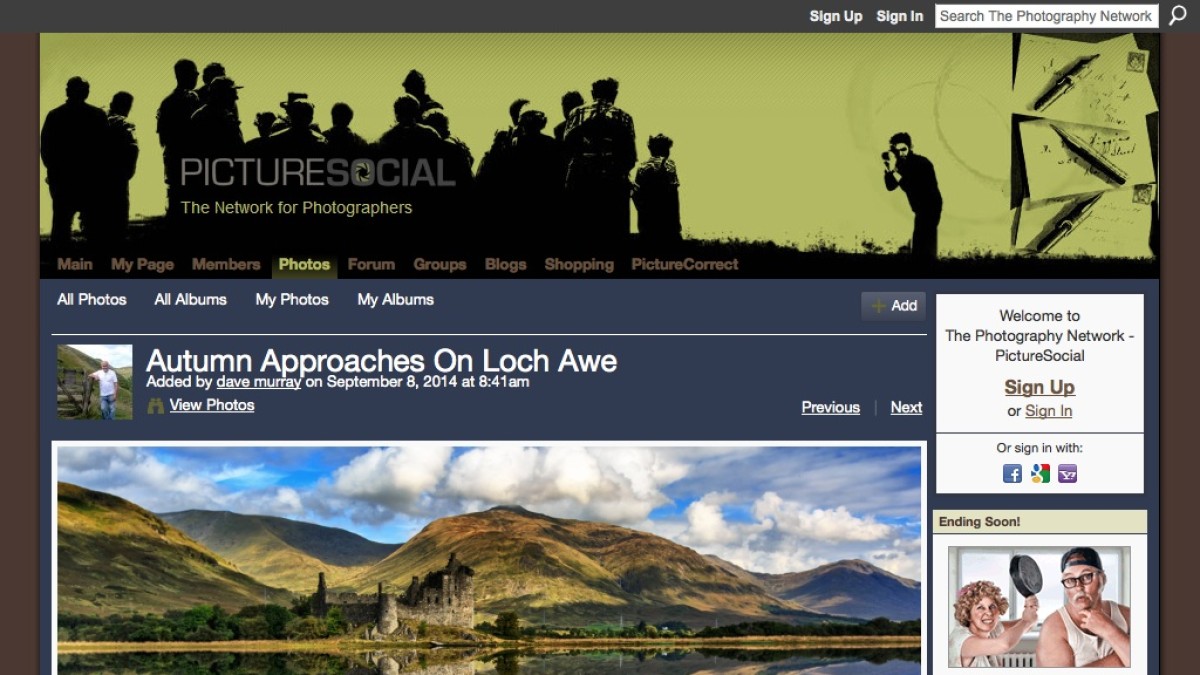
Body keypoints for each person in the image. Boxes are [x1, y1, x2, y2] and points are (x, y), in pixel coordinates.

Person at [563, 78, 637, 240]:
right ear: (615, 94)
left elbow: (567, 148)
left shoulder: (576, 113)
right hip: (612, 182)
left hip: (580, 179)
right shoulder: (623, 116)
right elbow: (630, 156)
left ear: (592, 93)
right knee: (611, 235)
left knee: (580, 232)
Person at [41, 76, 108, 246]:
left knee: (61, 224)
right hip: (90, 179)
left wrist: (54, 172)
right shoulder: (97, 115)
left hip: (63, 179)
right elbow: (105, 149)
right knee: (95, 226)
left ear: (67, 91)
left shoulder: (54, 115)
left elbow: (46, 149)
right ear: (86, 92)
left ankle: (59, 265)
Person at [1036, 547, 1131, 667]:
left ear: (1103, 579)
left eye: (1086, 576)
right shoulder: (1053, 627)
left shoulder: (1127, 616)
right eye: (1070, 579)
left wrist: (1109, 629)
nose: (1078, 587)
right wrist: (1121, 660)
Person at [949, 580, 1039, 667]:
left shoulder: (993, 629)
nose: (989, 612)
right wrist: (1026, 621)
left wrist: (1030, 608)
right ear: (968, 614)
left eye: (992, 606)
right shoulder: (962, 639)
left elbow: (1028, 626)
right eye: (980, 607)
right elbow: (1004, 644)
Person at [883, 132, 942, 263]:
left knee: (924, 243)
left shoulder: (922, 163)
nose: (901, 153)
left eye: (904, 149)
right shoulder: (898, 165)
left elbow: (912, 186)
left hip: (931, 205)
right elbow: (890, 186)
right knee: (921, 243)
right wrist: (889, 170)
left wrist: (896, 172)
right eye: (897, 151)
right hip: (919, 208)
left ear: (911, 147)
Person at [92, 92, 139, 246]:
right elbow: (133, 149)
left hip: (96, 176)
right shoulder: (124, 124)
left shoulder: (95, 117)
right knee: (118, 220)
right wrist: (127, 173)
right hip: (117, 177)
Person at [156, 59, 201, 218]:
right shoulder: (191, 99)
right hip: (189, 161)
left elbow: (162, 138)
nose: (197, 76)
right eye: (195, 73)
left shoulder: (167, 102)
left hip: (175, 161)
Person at [632, 133, 682, 243]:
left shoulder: (642, 167)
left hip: (647, 224)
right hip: (668, 224)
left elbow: (635, 194)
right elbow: (673, 196)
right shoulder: (670, 165)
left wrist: (643, 212)